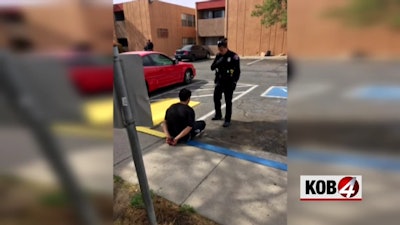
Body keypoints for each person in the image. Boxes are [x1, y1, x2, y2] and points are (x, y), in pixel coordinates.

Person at [210, 38, 240, 127]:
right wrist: (219, 61)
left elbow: (237, 71)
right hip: (219, 81)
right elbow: (212, 67)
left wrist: (235, 82)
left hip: (229, 82)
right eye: (219, 49)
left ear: (225, 47)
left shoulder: (234, 56)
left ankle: (227, 119)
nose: (220, 51)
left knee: (228, 101)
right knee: (216, 98)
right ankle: (218, 115)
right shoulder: (218, 56)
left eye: (221, 49)